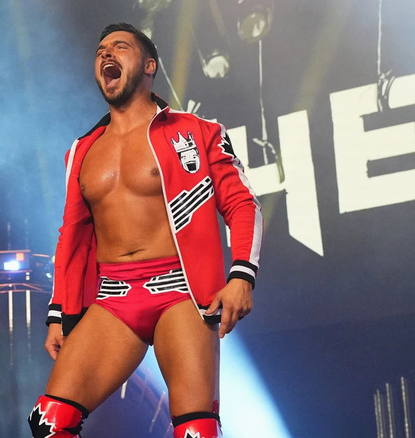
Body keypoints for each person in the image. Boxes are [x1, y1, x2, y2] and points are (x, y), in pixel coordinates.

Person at [27, 23, 263, 438]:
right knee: (48, 424)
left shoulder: (197, 131)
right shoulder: (81, 150)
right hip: (114, 299)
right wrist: (58, 314)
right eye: (100, 50)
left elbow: (242, 203)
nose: (106, 54)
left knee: (196, 432)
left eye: (120, 46)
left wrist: (242, 274)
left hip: (182, 294)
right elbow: (72, 238)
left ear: (149, 65)